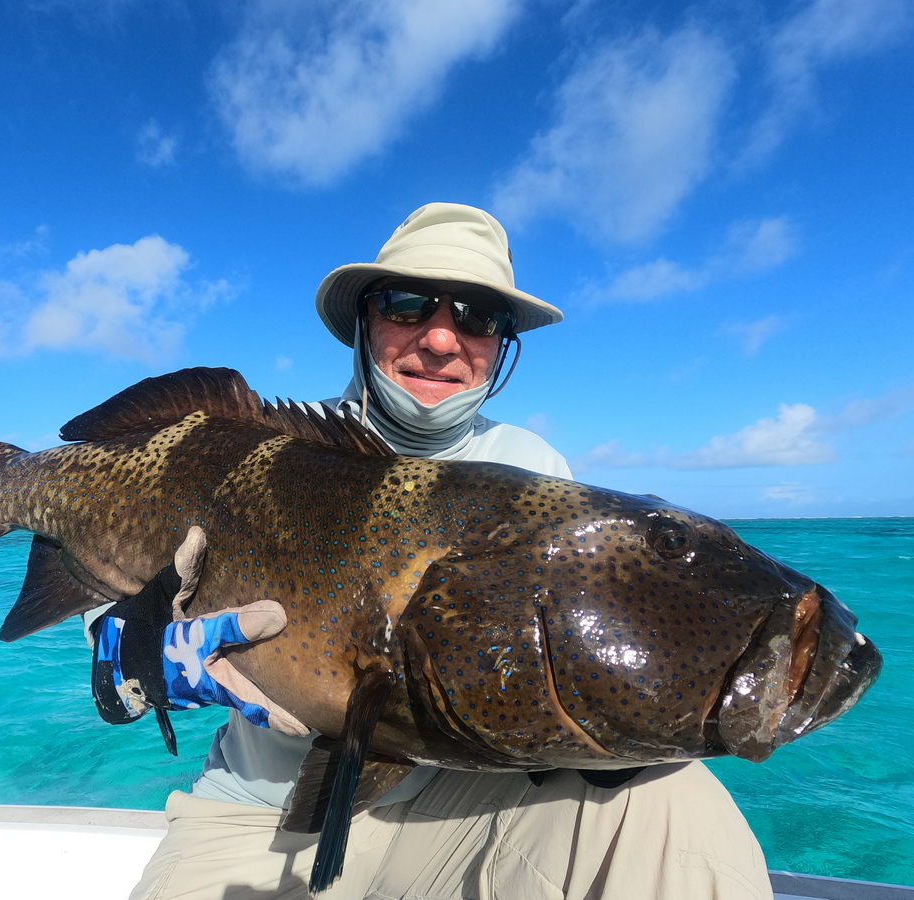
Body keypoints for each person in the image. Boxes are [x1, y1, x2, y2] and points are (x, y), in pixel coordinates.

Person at [91, 204, 774, 900]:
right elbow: (112, 691)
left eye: (478, 315)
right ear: (365, 319)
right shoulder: (258, 458)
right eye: (410, 303)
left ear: (502, 343)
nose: (443, 337)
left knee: (672, 805)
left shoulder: (535, 470)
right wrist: (142, 657)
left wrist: (625, 730)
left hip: (463, 808)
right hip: (261, 816)